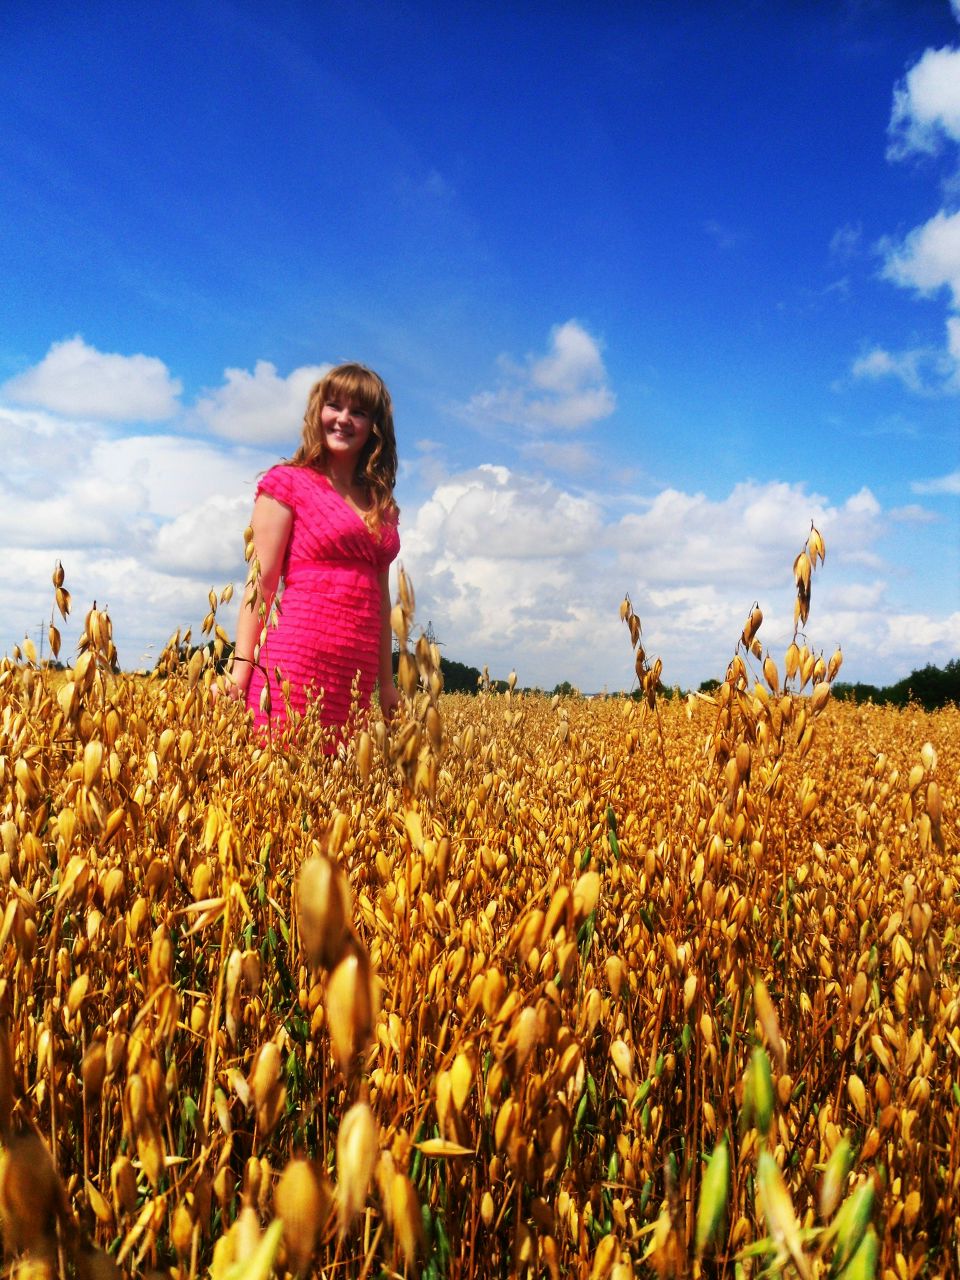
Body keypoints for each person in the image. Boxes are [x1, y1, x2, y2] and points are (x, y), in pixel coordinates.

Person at [217, 362, 400, 743]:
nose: (344, 419)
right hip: (296, 660)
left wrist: (386, 683)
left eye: (359, 412)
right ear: (318, 411)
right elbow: (261, 585)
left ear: (374, 427)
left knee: (340, 790)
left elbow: (382, 601)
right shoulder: (287, 484)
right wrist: (241, 670)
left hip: (356, 672)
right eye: (335, 405)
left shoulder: (383, 505)